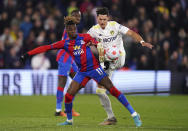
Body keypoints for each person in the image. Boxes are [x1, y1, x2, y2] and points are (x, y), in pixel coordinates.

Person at [21, 16, 153, 127]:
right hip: (82, 72)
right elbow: (46, 47)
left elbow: (96, 42)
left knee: (112, 90)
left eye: (74, 28)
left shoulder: (84, 37)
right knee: (68, 95)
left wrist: (96, 45)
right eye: (69, 29)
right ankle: (69, 120)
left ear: (76, 29)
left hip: (95, 69)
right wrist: (28, 54)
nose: (72, 30)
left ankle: (134, 114)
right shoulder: (65, 43)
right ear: (67, 30)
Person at [87, 7, 153, 125]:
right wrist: (89, 43)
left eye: (104, 19)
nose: (102, 22)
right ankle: (111, 117)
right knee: (99, 91)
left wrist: (142, 42)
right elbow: (85, 41)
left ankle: (110, 56)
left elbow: (131, 33)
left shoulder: (115, 26)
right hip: (107, 62)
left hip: (119, 57)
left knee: (110, 51)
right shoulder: (93, 30)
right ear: (97, 18)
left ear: (108, 19)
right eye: (100, 19)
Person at [55, 10, 81, 117]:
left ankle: (67, 108)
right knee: (62, 84)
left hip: (70, 59)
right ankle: (58, 110)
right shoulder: (69, 27)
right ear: (72, 17)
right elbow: (69, 44)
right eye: (77, 16)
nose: (79, 18)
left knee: (78, 82)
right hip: (64, 58)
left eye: (80, 17)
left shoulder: (74, 27)